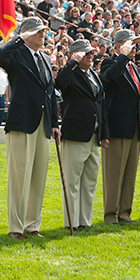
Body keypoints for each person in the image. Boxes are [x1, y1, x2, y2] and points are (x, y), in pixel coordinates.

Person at [0, 16, 60, 241]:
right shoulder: (17, 53)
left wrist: (54, 123)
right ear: (27, 33)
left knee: (38, 176)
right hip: (22, 122)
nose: (43, 35)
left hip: (42, 123)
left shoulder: (44, 57)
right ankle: (16, 226)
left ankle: (33, 225)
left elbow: (49, 92)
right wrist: (18, 38)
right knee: (19, 176)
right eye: (39, 31)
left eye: (44, 32)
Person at [55, 39, 109, 231]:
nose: (90, 56)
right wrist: (72, 63)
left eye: (91, 53)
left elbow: (100, 105)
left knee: (89, 181)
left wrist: (105, 133)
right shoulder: (71, 73)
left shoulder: (94, 74)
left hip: (94, 135)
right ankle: (71, 221)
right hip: (76, 134)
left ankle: (85, 220)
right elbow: (59, 83)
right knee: (72, 180)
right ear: (76, 54)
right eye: (86, 53)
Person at [100, 29, 140, 224]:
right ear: (118, 46)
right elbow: (109, 78)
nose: (135, 48)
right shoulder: (110, 62)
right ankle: (111, 214)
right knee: (114, 173)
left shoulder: (134, 67)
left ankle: (125, 212)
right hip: (117, 127)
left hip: (133, 128)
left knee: (129, 173)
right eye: (131, 44)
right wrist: (122, 57)